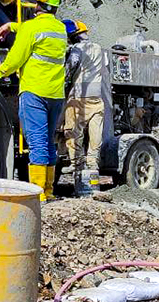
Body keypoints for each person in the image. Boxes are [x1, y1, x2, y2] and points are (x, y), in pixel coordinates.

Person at [0, 0, 67, 201]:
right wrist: (13, 26)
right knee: (49, 141)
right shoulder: (59, 29)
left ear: (37, 5)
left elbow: (16, 57)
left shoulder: (31, 28)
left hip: (34, 92)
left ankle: (38, 194)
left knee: (37, 143)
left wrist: (0, 70)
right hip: (55, 94)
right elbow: (33, 31)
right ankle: (49, 191)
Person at [62, 20, 111, 196]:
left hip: (78, 100)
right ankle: (92, 178)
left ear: (71, 36)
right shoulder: (99, 49)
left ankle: (77, 172)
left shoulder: (75, 50)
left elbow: (69, 70)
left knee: (73, 134)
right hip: (96, 100)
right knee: (94, 140)